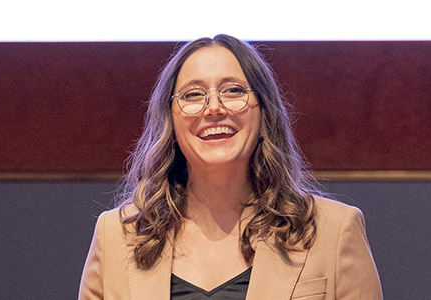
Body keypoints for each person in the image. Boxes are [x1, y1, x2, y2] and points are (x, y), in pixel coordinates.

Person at [78, 34, 383, 300]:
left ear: (264, 113)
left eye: (234, 91)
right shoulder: (116, 235)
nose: (214, 108)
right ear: (169, 121)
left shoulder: (334, 231)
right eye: (193, 95)